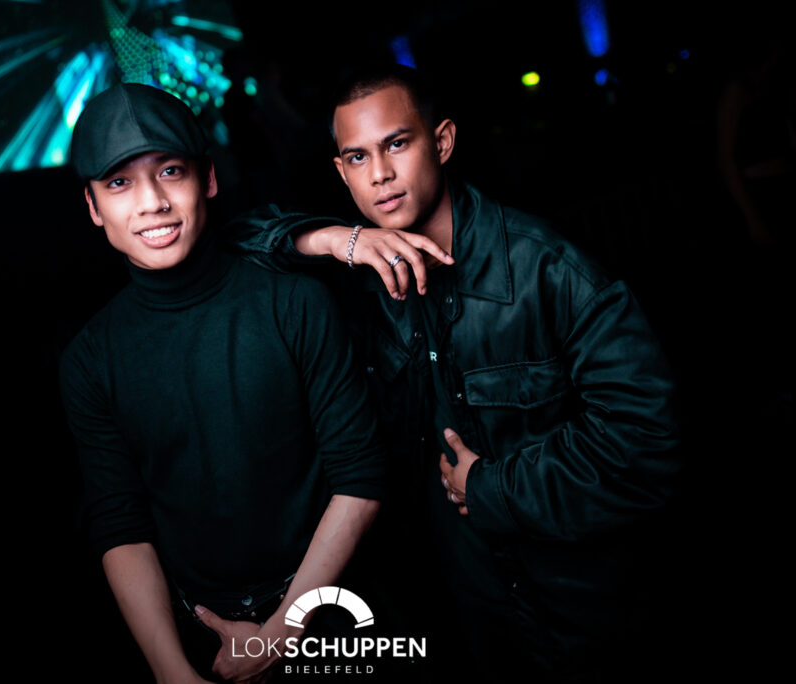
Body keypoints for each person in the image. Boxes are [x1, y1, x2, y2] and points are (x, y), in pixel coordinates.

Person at [229, 63, 681, 681]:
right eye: (357, 158)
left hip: (583, 616)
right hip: (467, 620)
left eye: (396, 144)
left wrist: (490, 488)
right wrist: (334, 239)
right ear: (341, 171)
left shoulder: (548, 269)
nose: (379, 173)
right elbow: (230, 240)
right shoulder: (359, 276)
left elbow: (648, 442)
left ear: (441, 142)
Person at [58, 82, 385, 683]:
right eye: (119, 183)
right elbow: (120, 523)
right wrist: (171, 671)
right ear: (93, 206)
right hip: (196, 636)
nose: (152, 202)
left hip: (333, 618)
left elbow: (360, 478)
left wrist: (284, 630)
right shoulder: (90, 358)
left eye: (170, 171)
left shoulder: (296, 304)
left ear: (207, 178)